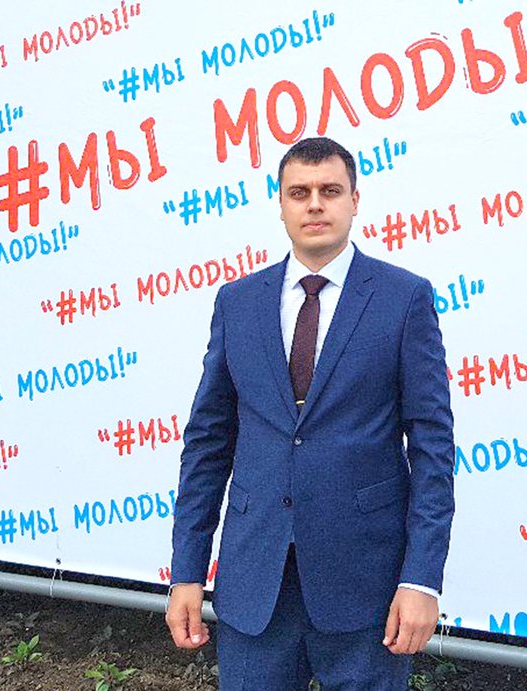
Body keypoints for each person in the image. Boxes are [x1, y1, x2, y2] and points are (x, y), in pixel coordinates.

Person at [166, 137, 454, 690]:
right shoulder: (237, 302)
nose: (315, 204)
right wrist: (187, 571)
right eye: (299, 192)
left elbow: (433, 451)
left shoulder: (403, 299)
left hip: (367, 587)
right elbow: (207, 445)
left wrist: (421, 580)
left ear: (354, 201)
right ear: (280, 204)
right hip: (256, 585)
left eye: (330, 190)